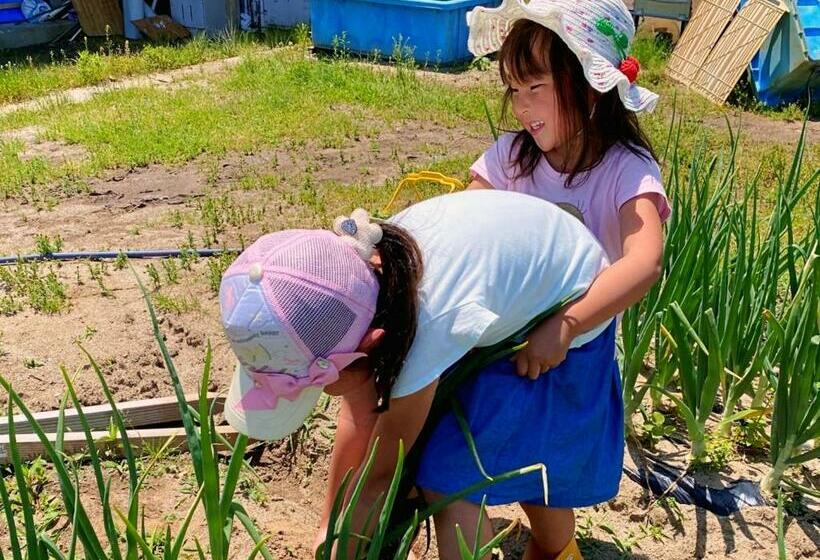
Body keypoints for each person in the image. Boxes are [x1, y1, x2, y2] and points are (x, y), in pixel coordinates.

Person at [218, 190, 615, 559]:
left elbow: (381, 472)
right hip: (514, 294)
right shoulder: (365, 275)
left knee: (451, 481)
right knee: (459, 463)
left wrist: (342, 549)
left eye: (319, 384)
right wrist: (330, 528)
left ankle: (555, 551)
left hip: (569, 316)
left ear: (371, 344)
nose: (323, 393)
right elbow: (360, 414)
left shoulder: (429, 326)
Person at [451, 0, 671, 556]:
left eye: (538, 88)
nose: (523, 108)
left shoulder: (625, 168)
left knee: (545, 481)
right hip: (500, 343)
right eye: (514, 91)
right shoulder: (510, 159)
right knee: (453, 465)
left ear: (590, 85)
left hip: (576, 349)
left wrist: (567, 325)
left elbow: (644, 261)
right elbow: (464, 225)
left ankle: (553, 550)